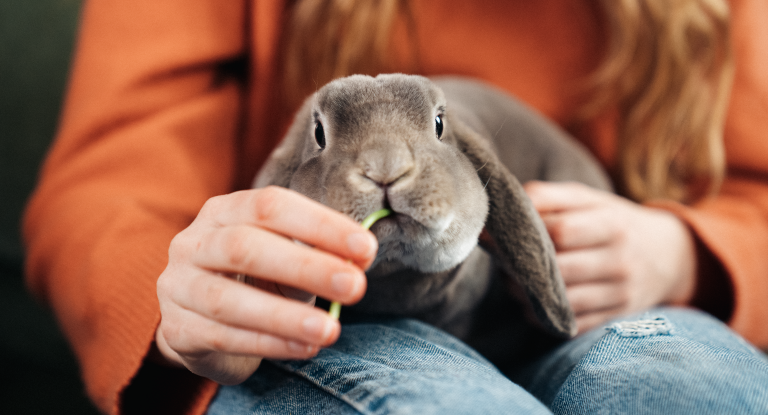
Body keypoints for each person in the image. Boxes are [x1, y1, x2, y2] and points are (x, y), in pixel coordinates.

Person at [23, 0, 768, 414]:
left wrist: (684, 252)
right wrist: (184, 298)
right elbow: (111, 180)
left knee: (686, 383)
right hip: (335, 319)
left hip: (609, 307)